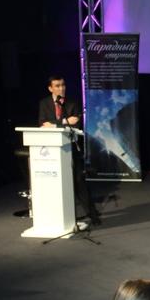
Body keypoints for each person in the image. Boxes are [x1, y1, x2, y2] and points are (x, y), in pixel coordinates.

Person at [36, 75, 100, 225]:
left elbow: (75, 124)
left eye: (63, 85)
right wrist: (64, 121)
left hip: (71, 148)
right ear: (50, 88)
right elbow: (42, 124)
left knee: (79, 181)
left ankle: (92, 214)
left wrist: (54, 124)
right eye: (57, 86)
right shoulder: (44, 103)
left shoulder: (72, 103)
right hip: (51, 150)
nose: (61, 88)